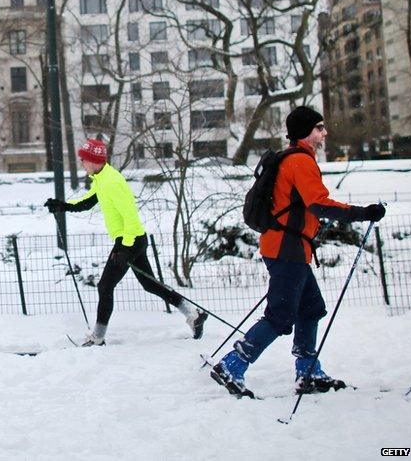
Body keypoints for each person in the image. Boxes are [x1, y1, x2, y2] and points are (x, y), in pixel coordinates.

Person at [211, 106, 386, 397]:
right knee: (280, 316)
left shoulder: (293, 159)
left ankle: (308, 372)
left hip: (290, 248)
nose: (324, 133)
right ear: (306, 132)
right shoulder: (300, 162)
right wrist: (363, 213)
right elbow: (319, 204)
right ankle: (233, 364)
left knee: (311, 308)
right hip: (285, 249)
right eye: (319, 128)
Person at [44, 138, 208, 347]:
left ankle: (98, 337)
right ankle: (193, 314)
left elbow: (130, 217)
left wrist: (123, 250)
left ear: (94, 161)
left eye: (84, 160)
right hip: (133, 240)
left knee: (105, 286)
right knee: (150, 285)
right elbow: (87, 202)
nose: (82, 164)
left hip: (129, 240)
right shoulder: (102, 179)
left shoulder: (113, 182)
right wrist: (63, 206)